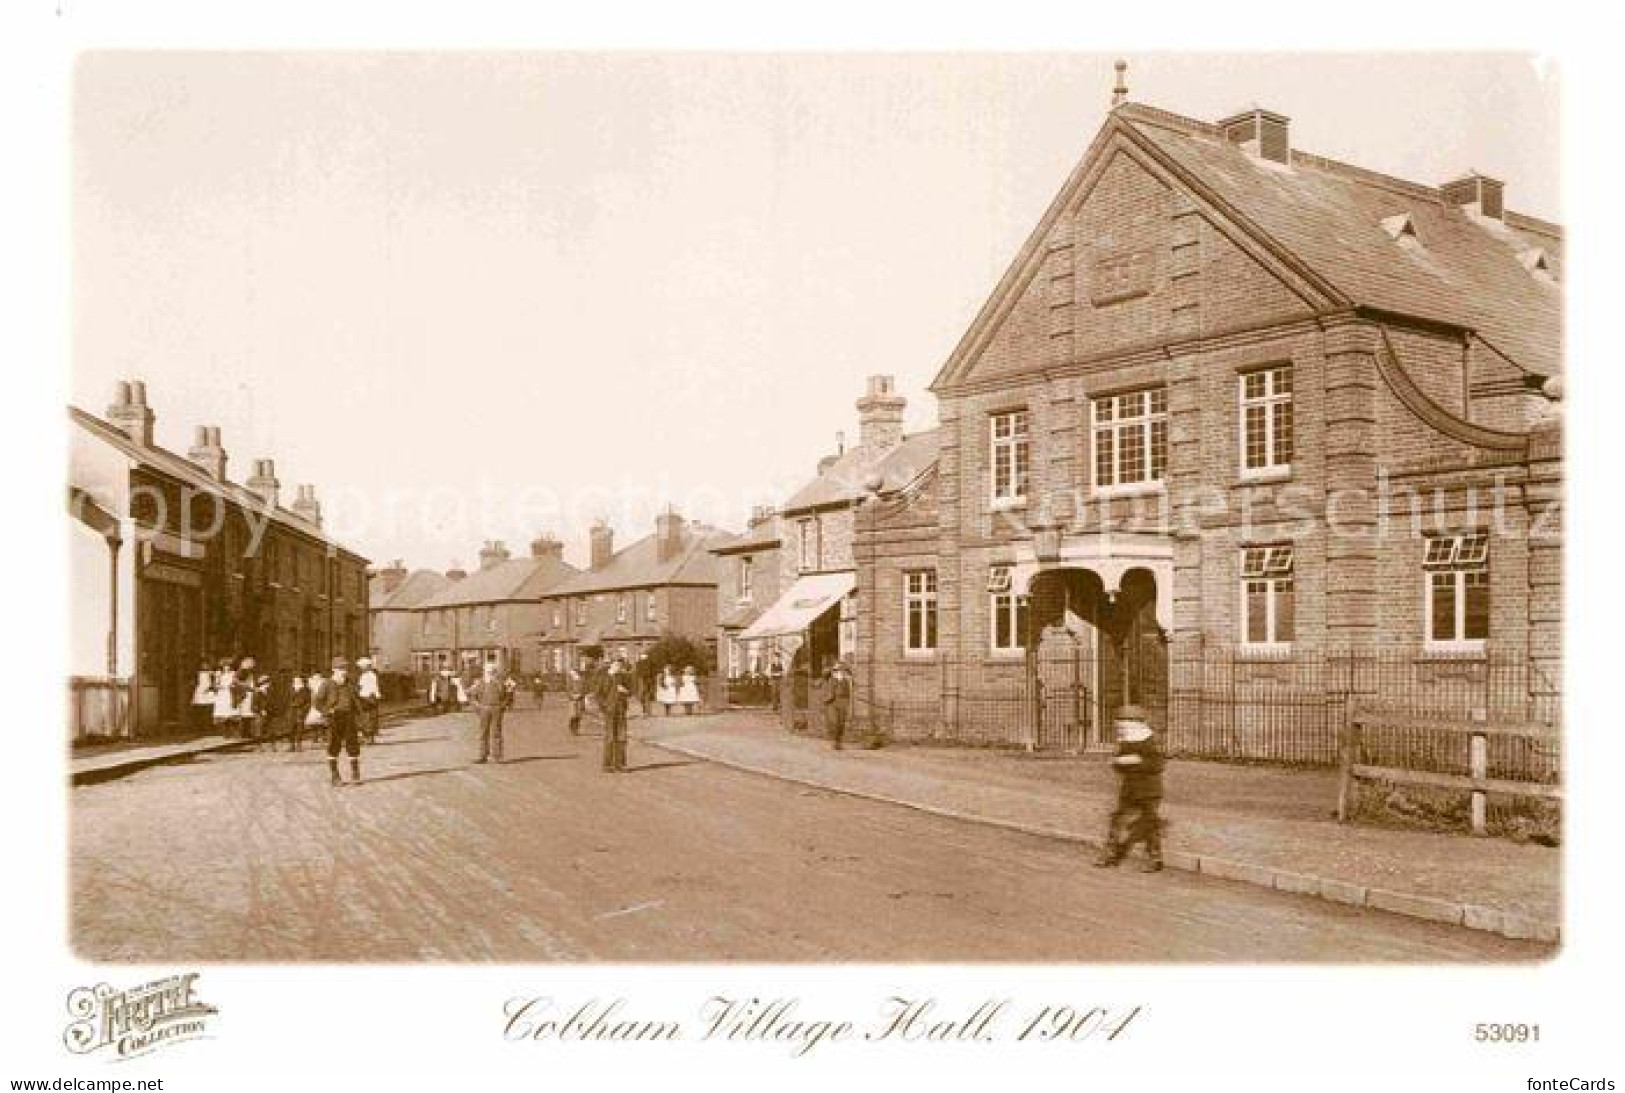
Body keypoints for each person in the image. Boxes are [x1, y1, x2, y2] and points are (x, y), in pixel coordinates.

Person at [1094, 706, 1165, 873]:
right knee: (1117, 819)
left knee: (1149, 823)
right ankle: (1109, 853)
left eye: (1123, 723)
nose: (1120, 727)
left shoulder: (1149, 741)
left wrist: (1135, 760)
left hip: (1149, 789)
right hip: (1130, 787)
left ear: (1134, 723)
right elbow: (1121, 764)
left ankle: (1155, 858)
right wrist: (1118, 762)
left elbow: (1157, 765)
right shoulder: (1126, 741)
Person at [315, 656, 364, 787]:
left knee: (352, 744)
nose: (344, 671)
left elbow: (356, 700)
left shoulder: (350, 683)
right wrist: (326, 711)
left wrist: (361, 716)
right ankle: (335, 776)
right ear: (333, 670)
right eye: (340, 668)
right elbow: (318, 702)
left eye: (345, 668)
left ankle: (355, 774)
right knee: (333, 746)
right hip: (334, 718)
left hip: (349, 717)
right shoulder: (327, 684)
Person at [469, 663, 510, 764]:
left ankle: (497, 756)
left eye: (492, 671)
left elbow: (507, 697)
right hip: (484, 709)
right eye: (488, 671)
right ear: (484, 672)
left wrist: (501, 707)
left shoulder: (500, 683)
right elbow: (473, 697)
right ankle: (483, 756)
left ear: (495, 672)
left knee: (496, 733)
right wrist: (479, 708)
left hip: (496, 709)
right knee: (483, 733)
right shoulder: (480, 684)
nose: (490, 673)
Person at [597, 656, 632, 772]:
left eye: (620, 665)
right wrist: (604, 707)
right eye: (617, 665)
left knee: (622, 737)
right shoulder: (603, 678)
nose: (619, 667)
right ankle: (607, 765)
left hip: (621, 710)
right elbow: (598, 695)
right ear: (611, 665)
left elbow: (631, 691)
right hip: (609, 711)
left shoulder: (623, 677)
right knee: (610, 737)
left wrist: (625, 691)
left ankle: (620, 764)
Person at [822, 660, 853, 750]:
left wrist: (847, 674)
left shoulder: (846, 680)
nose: (838, 672)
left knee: (841, 723)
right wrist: (832, 669)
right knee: (834, 722)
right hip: (832, 702)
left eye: (840, 670)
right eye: (836, 670)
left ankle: (839, 741)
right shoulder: (830, 678)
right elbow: (824, 673)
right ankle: (834, 741)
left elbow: (849, 691)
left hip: (843, 701)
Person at [212, 658, 242, 737]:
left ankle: (234, 731)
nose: (227, 668)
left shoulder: (233, 674)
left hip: (230, 694)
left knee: (232, 711)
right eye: (225, 666)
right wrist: (220, 686)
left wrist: (233, 685)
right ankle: (226, 732)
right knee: (224, 712)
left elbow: (237, 682)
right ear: (222, 667)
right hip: (222, 695)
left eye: (228, 666)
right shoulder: (219, 674)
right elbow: (215, 685)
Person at [356, 657, 383, 744]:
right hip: (370, 697)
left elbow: (369, 687)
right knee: (370, 717)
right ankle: (369, 737)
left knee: (367, 717)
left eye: (361, 667)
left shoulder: (368, 675)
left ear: (366, 667)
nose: (361, 668)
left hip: (367, 697)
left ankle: (368, 737)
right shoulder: (371, 675)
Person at [286, 674, 311, 752]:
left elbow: (308, 702)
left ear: (301, 681)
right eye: (295, 680)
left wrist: (304, 710)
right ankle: (291, 745)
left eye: (298, 680)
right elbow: (286, 700)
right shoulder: (290, 689)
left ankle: (299, 745)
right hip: (291, 711)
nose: (296, 681)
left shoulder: (306, 690)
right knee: (290, 728)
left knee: (300, 728)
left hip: (300, 711)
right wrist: (288, 710)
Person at [190, 659, 216, 734]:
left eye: (206, 664)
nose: (205, 666)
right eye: (203, 664)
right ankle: (200, 726)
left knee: (209, 709)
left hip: (209, 692)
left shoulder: (210, 673)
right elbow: (195, 682)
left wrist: (211, 688)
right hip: (200, 692)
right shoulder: (198, 673)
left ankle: (208, 726)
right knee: (200, 708)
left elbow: (214, 681)